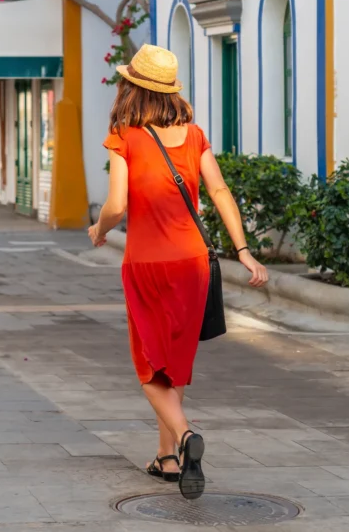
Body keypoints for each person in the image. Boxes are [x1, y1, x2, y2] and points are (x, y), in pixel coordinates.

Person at [88, 45, 268, 501]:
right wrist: (243, 251)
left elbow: (117, 204)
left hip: (147, 264)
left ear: (132, 88)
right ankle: (166, 458)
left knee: (150, 367)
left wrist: (99, 227)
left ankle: (186, 439)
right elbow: (222, 191)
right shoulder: (194, 136)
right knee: (175, 363)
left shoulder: (123, 136)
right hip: (193, 264)